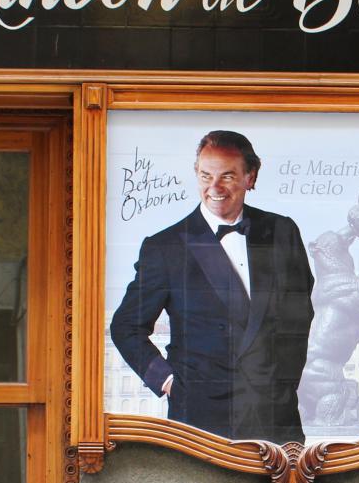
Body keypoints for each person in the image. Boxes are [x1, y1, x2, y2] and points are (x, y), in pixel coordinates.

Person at [110, 130, 315, 443]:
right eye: (205, 176)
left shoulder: (281, 231)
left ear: (251, 176)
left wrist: (282, 381)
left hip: (275, 416)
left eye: (227, 176)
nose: (214, 188)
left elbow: (299, 314)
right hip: (200, 419)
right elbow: (125, 326)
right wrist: (167, 381)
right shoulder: (166, 247)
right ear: (196, 174)